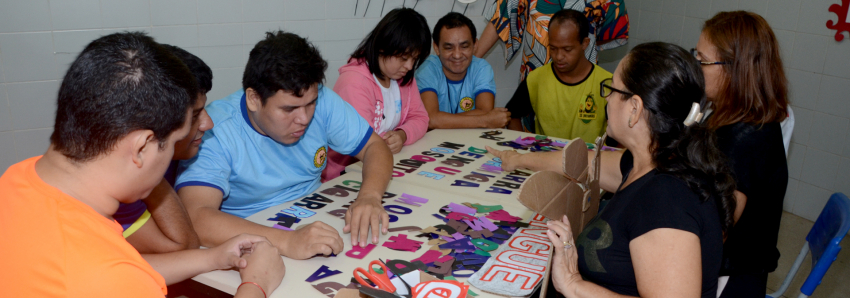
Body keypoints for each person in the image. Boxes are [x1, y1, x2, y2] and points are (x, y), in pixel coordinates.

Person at [0, 32, 284, 298]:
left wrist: (212, 256)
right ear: (141, 147)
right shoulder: (107, 281)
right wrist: (255, 285)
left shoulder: (19, 177)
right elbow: (111, 276)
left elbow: (121, 263)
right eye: (174, 142)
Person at [176, 31, 395, 256]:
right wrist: (288, 242)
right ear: (254, 99)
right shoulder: (214, 130)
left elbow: (375, 146)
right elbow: (195, 216)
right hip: (253, 235)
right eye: (288, 109)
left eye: (311, 104)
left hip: (316, 214)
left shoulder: (319, 98)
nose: (304, 118)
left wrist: (370, 196)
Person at [695, 11, 789, 297]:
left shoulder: (746, 139)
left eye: (702, 60)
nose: (695, 67)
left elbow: (715, 232)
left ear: (733, 69)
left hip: (732, 278)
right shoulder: (731, 116)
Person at [115, 44, 212, 254]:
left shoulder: (185, 152)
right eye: (195, 116)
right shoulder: (120, 180)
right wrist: (151, 164)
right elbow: (183, 247)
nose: (208, 124)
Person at [322, 8, 431, 181]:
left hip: (387, 163)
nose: (409, 67)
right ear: (383, 47)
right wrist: (386, 144)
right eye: (404, 58)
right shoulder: (354, 82)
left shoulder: (403, 77)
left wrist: (402, 135)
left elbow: (421, 117)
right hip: (346, 175)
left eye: (414, 59)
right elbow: (363, 144)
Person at [504, 9, 612, 143]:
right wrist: (522, 147)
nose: (559, 57)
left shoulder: (607, 83)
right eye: (553, 48)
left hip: (589, 161)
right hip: (545, 159)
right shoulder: (536, 79)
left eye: (567, 49)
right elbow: (510, 115)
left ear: (585, 43)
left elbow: (621, 131)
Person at [475, 0, 629, 80]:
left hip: (582, 80)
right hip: (537, 75)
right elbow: (502, 17)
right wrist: (472, 60)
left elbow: (612, 31)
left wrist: (579, 50)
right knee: (532, 137)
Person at [413, 12, 511, 129]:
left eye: (464, 46)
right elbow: (431, 119)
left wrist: (443, 120)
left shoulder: (481, 68)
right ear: (436, 48)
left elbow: (485, 110)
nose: (457, 55)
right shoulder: (427, 68)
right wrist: (485, 120)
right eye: (449, 48)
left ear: (475, 45)